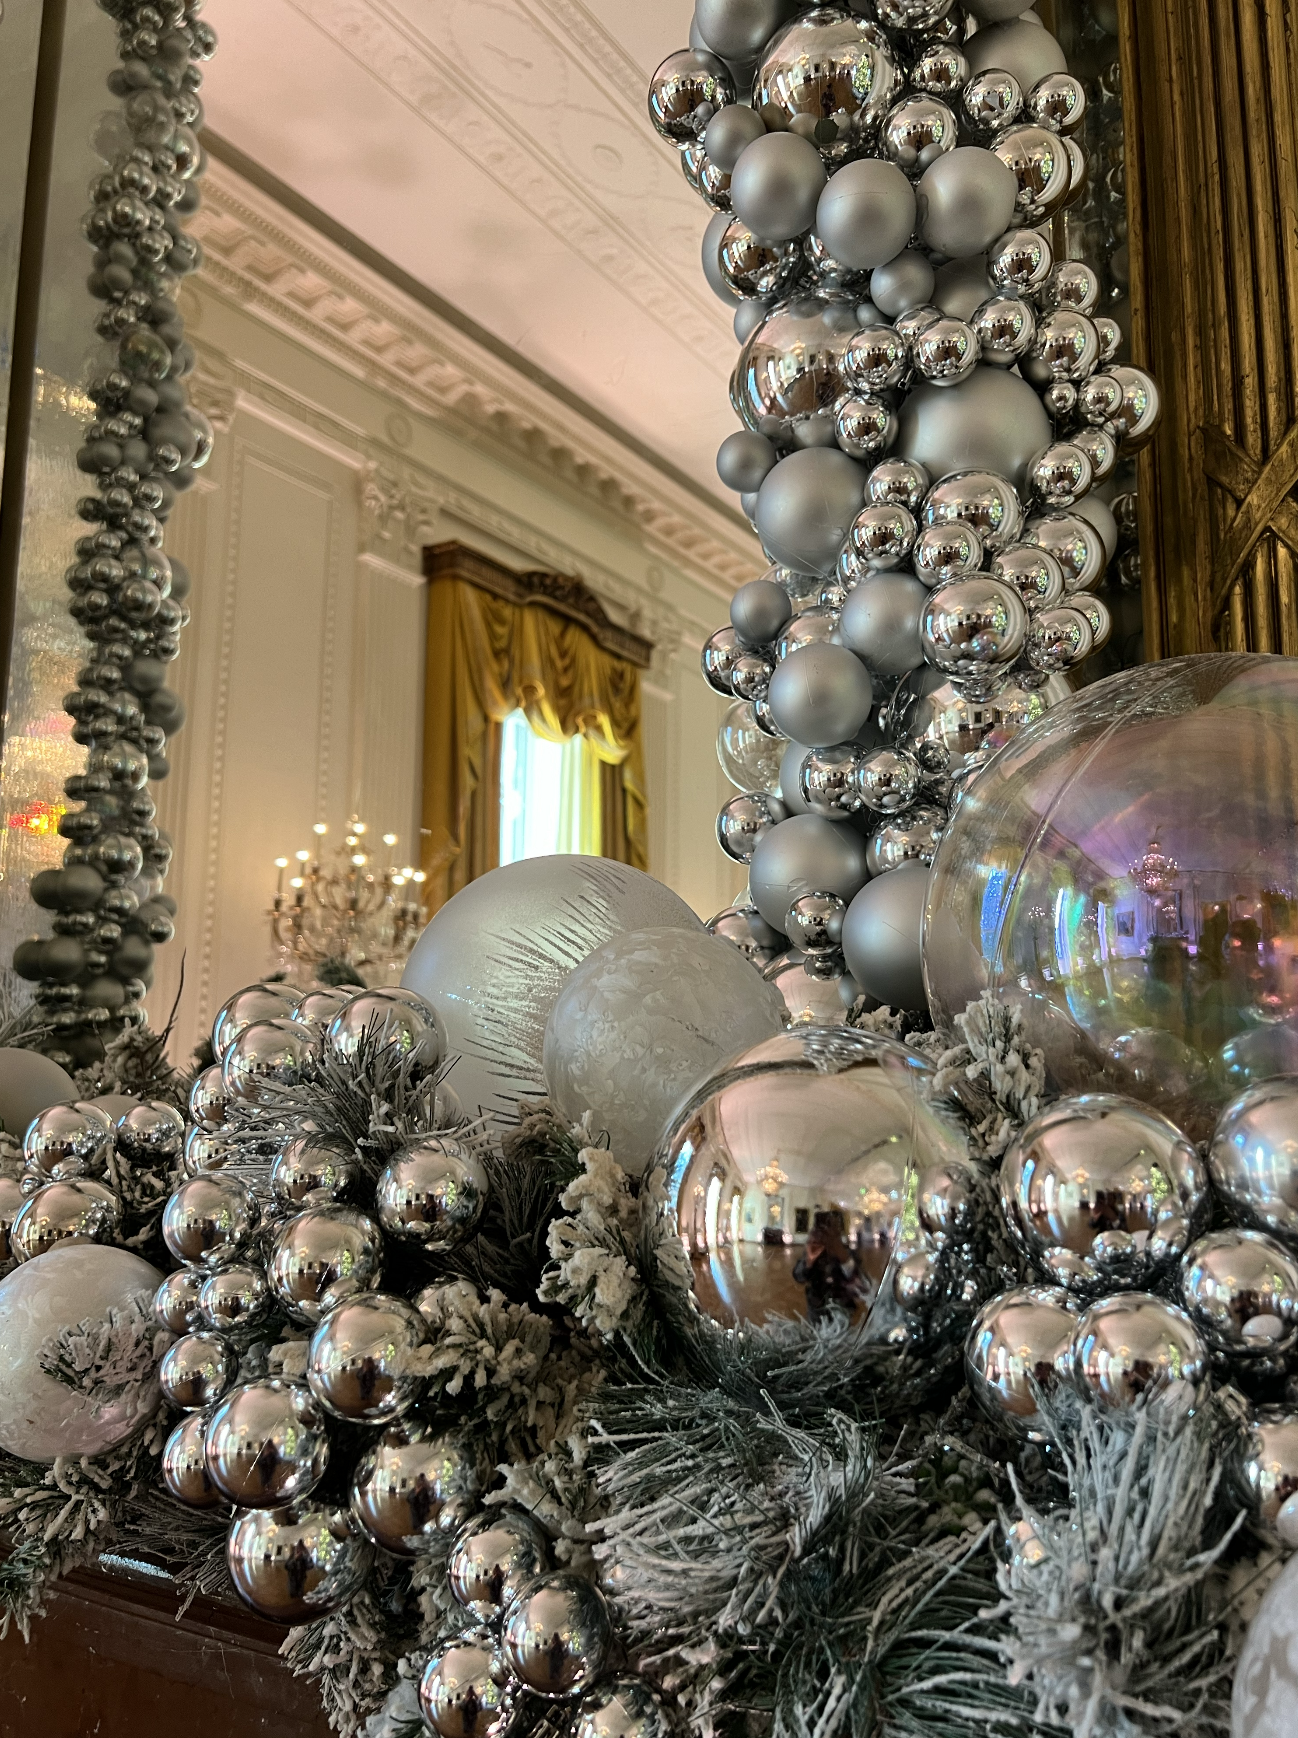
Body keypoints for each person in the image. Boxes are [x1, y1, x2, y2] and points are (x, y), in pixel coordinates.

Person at [792, 1212, 861, 1323]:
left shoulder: (847, 1252)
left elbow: (861, 1283)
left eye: (832, 1227)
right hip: (816, 1311)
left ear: (838, 1231)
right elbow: (798, 1276)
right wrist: (809, 1261)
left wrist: (843, 1256)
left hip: (842, 1311)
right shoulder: (812, 1249)